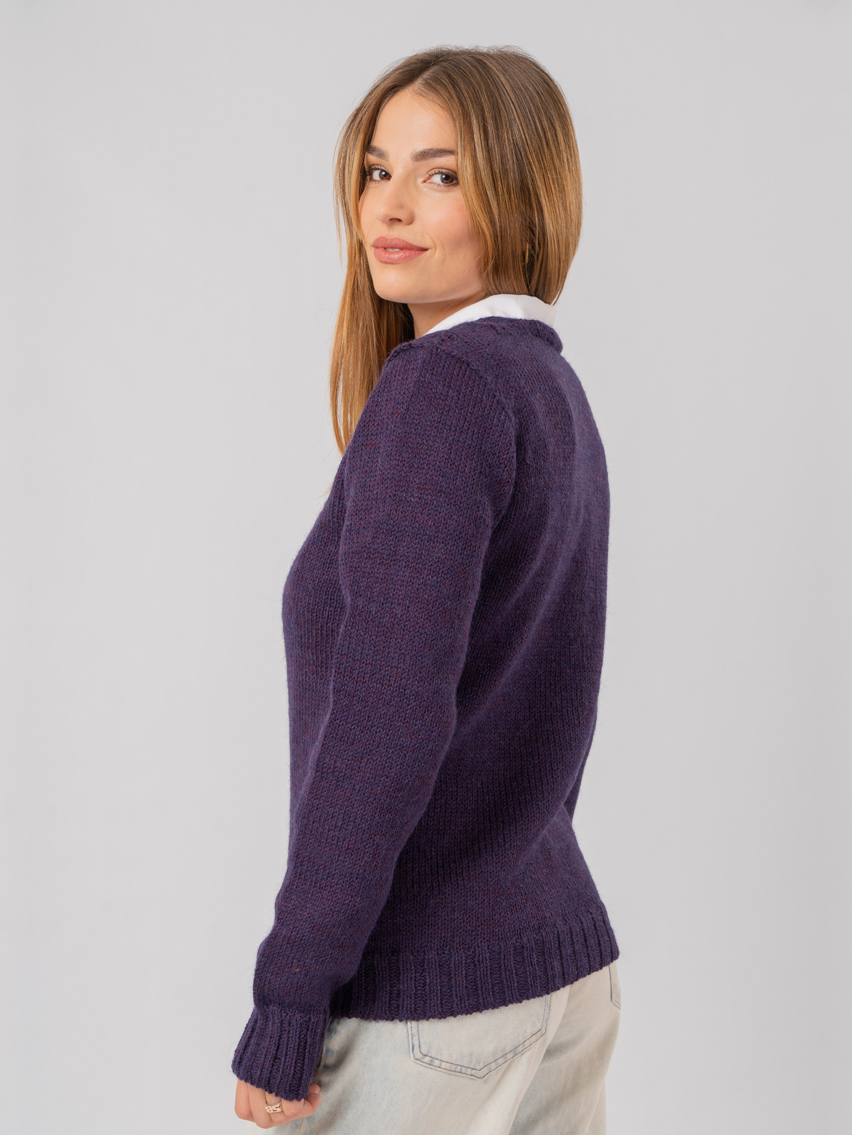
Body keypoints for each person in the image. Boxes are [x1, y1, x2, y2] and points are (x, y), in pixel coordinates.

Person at [232, 45, 622, 1134]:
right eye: (375, 169)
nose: (390, 206)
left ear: (519, 194)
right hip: (560, 969)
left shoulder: (442, 390)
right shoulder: (546, 383)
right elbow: (544, 701)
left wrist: (290, 991)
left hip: (432, 1004)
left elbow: (387, 717)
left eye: (441, 174)